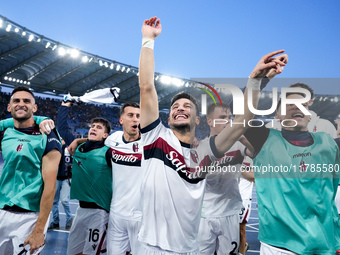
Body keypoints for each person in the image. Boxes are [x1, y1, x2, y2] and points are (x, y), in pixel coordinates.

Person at [138, 16, 286, 254]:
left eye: (187, 106)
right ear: (167, 118)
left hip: (189, 248)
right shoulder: (155, 138)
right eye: (175, 107)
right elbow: (146, 88)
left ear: (198, 120)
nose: (180, 108)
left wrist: (256, 80)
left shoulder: (206, 150)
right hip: (149, 246)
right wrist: (148, 40)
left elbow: (242, 122)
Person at [244, 92, 340, 254]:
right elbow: (241, 117)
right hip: (279, 246)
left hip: (321, 243)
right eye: (289, 104)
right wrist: (258, 80)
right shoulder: (264, 138)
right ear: (278, 116)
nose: (297, 106)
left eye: (302, 104)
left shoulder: (328, 143)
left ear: (310, 115)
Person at [0, 86, 62, 255]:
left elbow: (50, 187)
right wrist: (43, 117)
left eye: (26, 101)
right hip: (2, 210)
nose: (21, 104)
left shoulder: (48, 136)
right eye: (16, 101)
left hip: (30, 217)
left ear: (34, 108)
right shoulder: (5, 131)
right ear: (9, 107)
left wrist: (39, 230)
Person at [198, 103, 251, 255]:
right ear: (209, 121)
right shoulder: (199, 148)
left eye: (229, 117)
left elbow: (260, 155)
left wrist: (244, 140)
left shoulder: (239, 146)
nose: (228, 121)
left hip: (229, 212)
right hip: (204, 215)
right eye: (222, 118)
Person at [65, 114, 113, 255]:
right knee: (72, 252)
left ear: (106, 135)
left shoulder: (108, 152)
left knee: (90, 253)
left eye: (99, 127)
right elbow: (62, 128)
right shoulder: (79, 148)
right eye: (92, 126)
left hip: (99, 212)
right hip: (81, 210)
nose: (94, 128)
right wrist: (78, 139)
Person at [105, 101, 143, 255]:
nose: (135, 119)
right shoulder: (113, 140)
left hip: (142, 216)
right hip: (117, 214)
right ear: (121, 120)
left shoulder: (150, 142)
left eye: (138, 116)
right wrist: (77, 141)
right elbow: (99, 143)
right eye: (131, 115)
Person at [48, 101, 76, 230]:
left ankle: (69, 220)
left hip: (66, 179)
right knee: (53, 202)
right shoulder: (56, 146)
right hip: (56, 178)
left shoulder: (72, 147)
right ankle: (55, 221)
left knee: (64, 201)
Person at [238, 157, 254, 255]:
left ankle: (241, 251)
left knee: (241, 230)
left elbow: (255, 177)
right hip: (229, 196)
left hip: (243, 197)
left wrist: (238, 169)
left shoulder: (252, 157)